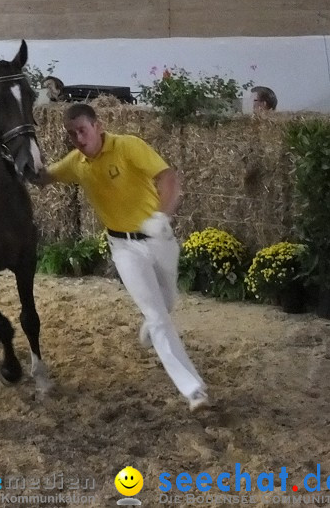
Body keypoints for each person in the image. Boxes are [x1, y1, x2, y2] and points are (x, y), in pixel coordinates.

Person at [35, 103, 210, 412]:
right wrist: (21, 160)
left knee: (167, 304)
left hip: (158, 237)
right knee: (159, 318)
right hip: (123, 247)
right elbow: (44, 177)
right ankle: (193, 389)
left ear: (98, 126)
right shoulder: (76, 164)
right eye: (72, 134)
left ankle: (152, 324)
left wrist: (162, 216)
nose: (78, 138)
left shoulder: (128, 146)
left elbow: (168, 177)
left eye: (82, 130)